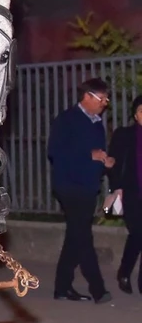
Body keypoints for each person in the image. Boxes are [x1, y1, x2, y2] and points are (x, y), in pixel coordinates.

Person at [47, 77, 115, 303]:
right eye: (102, 98)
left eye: (106, 99)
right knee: (83, 237)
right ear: (87, 96)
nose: (105, 103)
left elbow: (97, 153)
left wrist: (104, 161)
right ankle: (98, 289)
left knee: (75, 237)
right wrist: (90, 156)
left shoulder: (96, 123)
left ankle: (62, 288)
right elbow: (55, 152)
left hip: (88, 187)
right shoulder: (67, 119)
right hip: (69, 186)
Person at [107, 94, 142, 294]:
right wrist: (117, 187)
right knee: (137, 233)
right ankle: (125, 271)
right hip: (131, 193)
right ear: (135, 115)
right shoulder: (124, 134)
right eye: (141, 110)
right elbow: (114, 164)